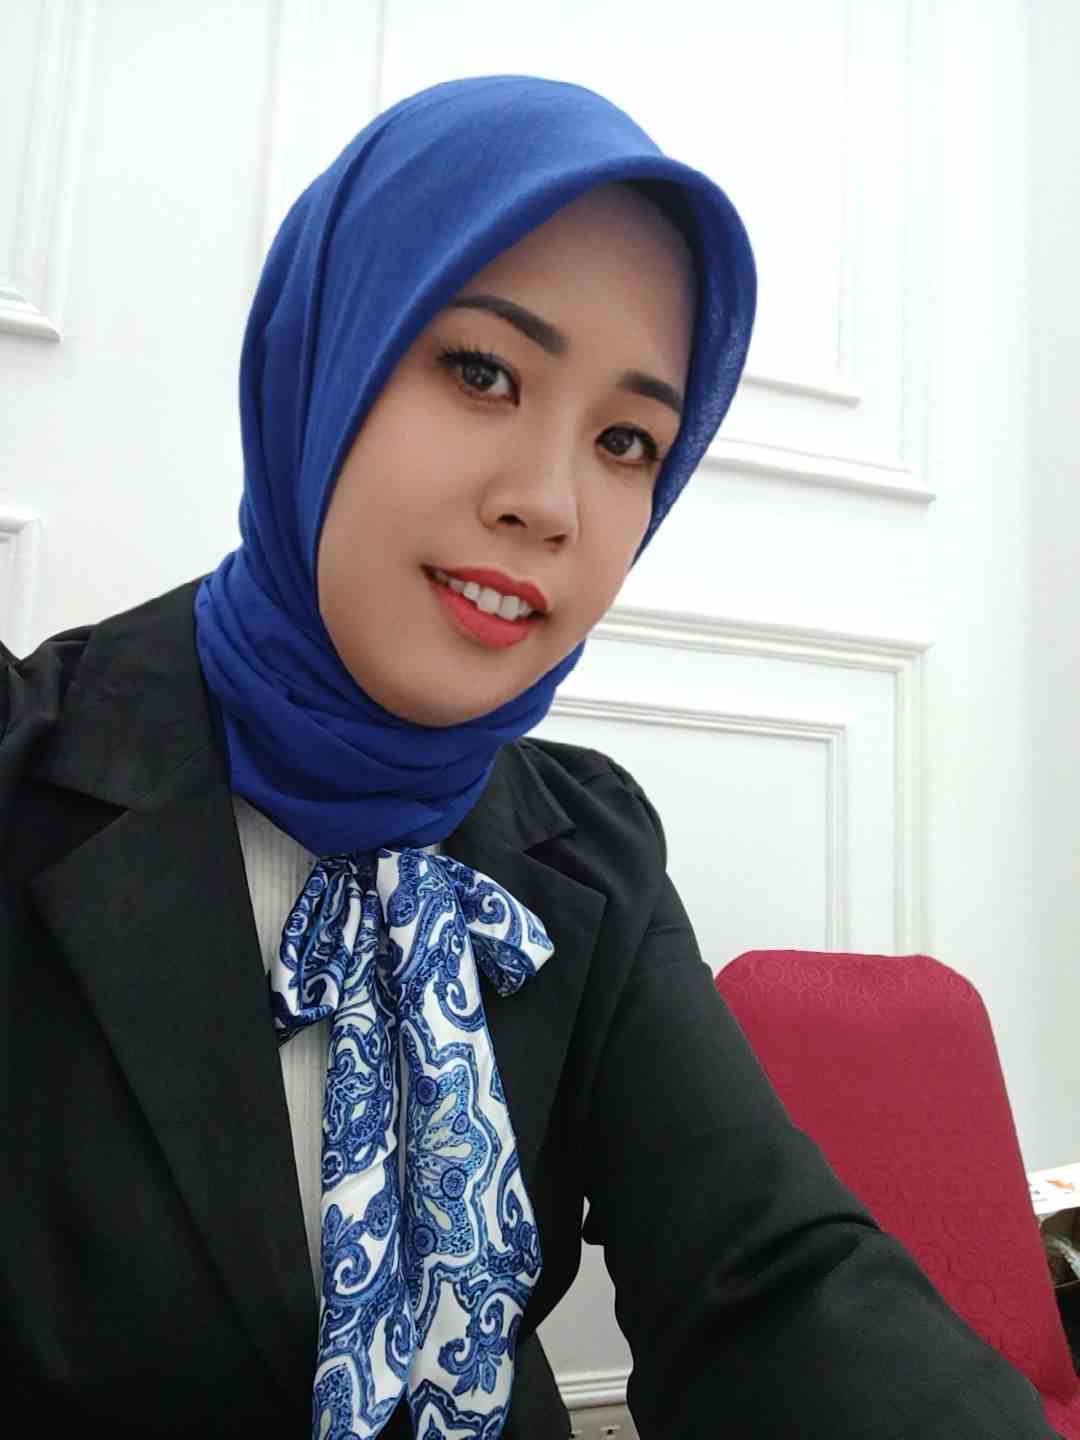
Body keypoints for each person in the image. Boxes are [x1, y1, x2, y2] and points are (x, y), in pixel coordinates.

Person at [0, 75, 1060, 1439]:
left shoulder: (586, 848)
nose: (551, 502)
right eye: (482, 371)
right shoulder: (30, 766)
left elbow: (769, 1276)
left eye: (627, 440)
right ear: (322, 357)